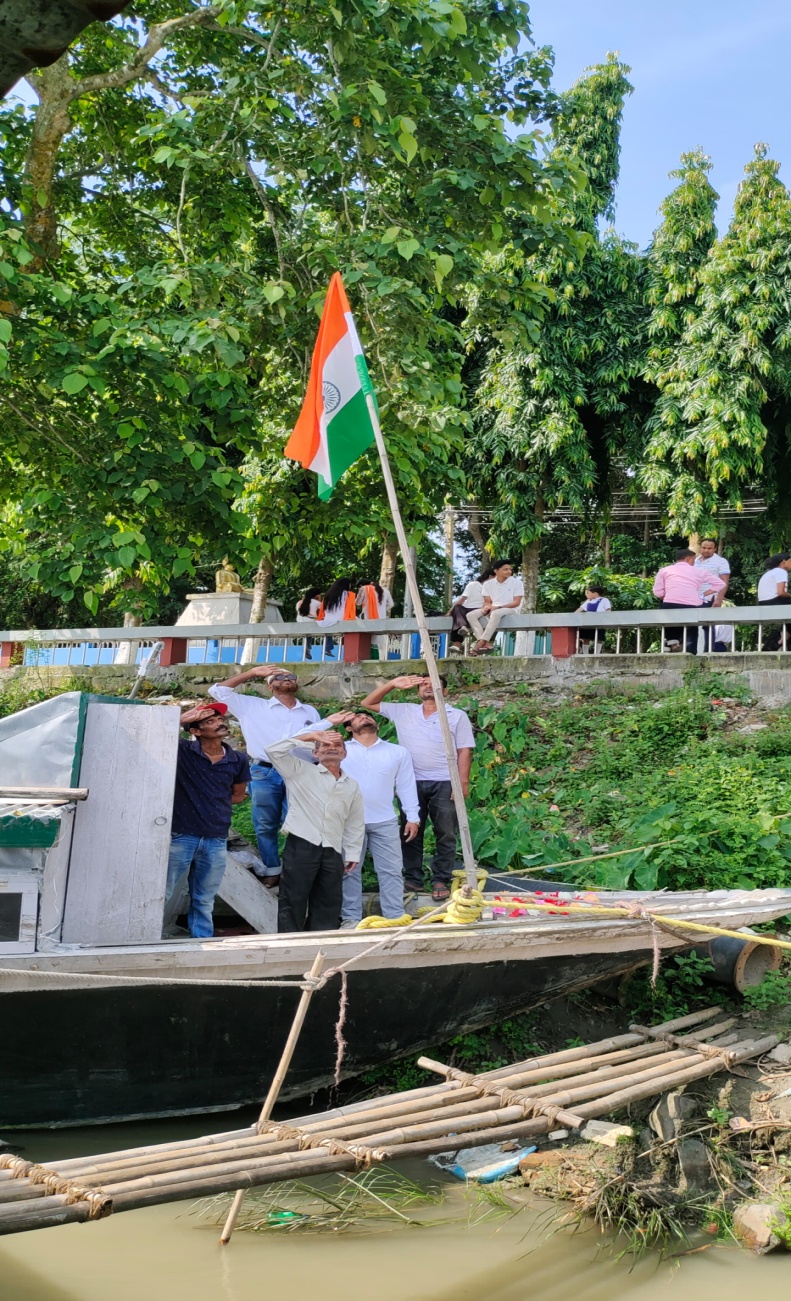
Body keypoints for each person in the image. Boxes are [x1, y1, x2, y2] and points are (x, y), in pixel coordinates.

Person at [359, 674, 475, 901]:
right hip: (409, 781)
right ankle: (413, 877)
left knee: (446, 832)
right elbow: (367, 703)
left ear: (446, 691)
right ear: (417, 690)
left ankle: (441, 877)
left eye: (435, 685)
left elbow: (465, 750)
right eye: (424, 684)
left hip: (445, 780)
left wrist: (461, 782)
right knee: (410, 831)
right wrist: (392, 684)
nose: (429, 688)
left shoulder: (456, 716)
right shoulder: (404, 710)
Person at [208, 666, 320, 887]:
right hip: (264, 771)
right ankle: (272, 868)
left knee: (300, 822)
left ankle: (297, 871)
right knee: (265, 823)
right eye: (279, 676)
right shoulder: (252, 705)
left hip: (300, 771)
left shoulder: (309, 711)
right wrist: (252, 673)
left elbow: (316, 743)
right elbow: (218, 691)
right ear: (270, 686)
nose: (286, 678)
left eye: (291, 675)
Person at [265, 725, 365, 932]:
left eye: (337, 745)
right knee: (293, 897)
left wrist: (353, 852)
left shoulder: (351, 784)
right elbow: (272, 751)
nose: (331, 748)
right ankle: (289, 944)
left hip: (333, 847)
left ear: (344, 753)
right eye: (325, 745)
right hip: (302, 842)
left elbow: (354, 821)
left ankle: (321, 942)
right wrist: (310, 736)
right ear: (315, 752)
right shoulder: (299, 770)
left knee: (329, 900)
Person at [165, 703, 250, 938]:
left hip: (216, 837)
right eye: (209, 721)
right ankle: (144, 937)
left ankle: (200, 941)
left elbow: (238, 795)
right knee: (162, 891)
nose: (219, 722)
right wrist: (183, 718)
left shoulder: (237, 759)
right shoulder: (183, 751)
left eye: (219, 719)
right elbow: (157, 733)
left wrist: (212, 804)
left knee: (205, 897)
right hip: (182, 834)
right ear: (195, 732)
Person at [332, 711, 420, 927]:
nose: (364, 718)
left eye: (368, 716)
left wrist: (413, 817)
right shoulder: (340, 751)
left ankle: (394, 917)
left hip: (385, 819)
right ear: (349, 728)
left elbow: (406, 785)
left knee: (391, 870)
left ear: (377, 725)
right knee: (349, 871)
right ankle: (351, 918)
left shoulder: (397, 752)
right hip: (349, 821)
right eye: (357, 717)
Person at [652, 548, 726, 654]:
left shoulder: (664, 570)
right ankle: (691, 652)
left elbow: (658, 592)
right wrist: (703, 594)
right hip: (691, 605)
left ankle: (672, 642)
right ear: (688, 559)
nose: (694, 562)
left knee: (668, 617)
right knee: (691, 628)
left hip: (670, 604)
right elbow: (720, 584)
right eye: (693, 560)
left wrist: (667, 597)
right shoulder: (699, 571)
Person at [471, 560, 524, 654]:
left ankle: (480, 643)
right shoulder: (487, 584)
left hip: (510, 609)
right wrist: (487, 607)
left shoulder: (517, 583)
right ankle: (483, 641)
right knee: (470, 615)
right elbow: (487, 602)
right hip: (493, 608)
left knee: (495, 613)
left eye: (510, 569)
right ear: (496, 571)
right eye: (505, 569)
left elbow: (516, 602)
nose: (509, 571)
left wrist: (498, 607)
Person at [694, 539, 731, 650]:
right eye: (704, 547)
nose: (706, 550)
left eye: (709, 548)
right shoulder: (695, 561)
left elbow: (724, 581)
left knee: (708, 625)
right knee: (692, 625)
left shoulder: (721, 561)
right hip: (693, 598)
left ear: (714, 549)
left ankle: (708, 652)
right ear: (700, 548)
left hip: (710, 598)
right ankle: (692, 652)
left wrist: (719, 599)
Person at [449, 568, 494, 652]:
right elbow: (461, 599)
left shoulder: (492, 589)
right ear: (490, 576)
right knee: (457, 608)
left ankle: (458, 643)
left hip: (480, 610)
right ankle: (462, 629)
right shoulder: (473, 584)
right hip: (466, 609)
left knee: (458, 615)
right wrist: (450, 611)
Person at [757, 553, 791, 651]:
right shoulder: (781, 572)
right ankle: (784, 636)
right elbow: (780, 593)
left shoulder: (770, 572)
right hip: (774, 601)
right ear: (783, 562)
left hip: (764, 602)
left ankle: (782, 637)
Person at [357, 579, 394, 661]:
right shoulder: (385, 591)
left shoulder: (364, 589)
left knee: (368, 639)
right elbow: (391, 604)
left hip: (368, 617)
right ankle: (376, 659)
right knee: (376, 640)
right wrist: (382, 610)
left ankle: (370, 658)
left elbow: (358, 602)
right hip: (381, 618)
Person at [575, 585, 612, 654]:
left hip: (600, 622)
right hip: (588, 622)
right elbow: (580, 609)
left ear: (595, 593)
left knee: (599, 638)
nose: (587, 595)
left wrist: (607, 619)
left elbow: (608, 610)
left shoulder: (604, 600)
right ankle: (586, 654)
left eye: (588, 593)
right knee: (586, 638)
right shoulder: (588, 601)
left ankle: (597, 654)